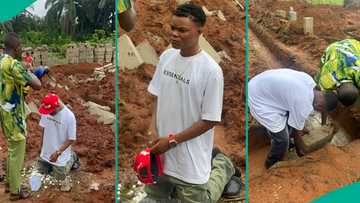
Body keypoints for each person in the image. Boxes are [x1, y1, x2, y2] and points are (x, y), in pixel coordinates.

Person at [141, 4, 242, 202]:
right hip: (160, 153)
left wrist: (171, 141)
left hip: (189, 161)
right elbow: (157, 96)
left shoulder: (210, 71)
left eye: (182, 30)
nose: (175, 34)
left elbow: (210, 120)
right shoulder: (167, 57)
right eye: (173, 28)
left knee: (203, 198)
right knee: (152, 198)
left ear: (200, 32)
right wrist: (153, 129)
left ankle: (223, 165)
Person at [248, 68, 338, 169]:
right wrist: (302, 150)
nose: (317, 111)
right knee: (282, 139)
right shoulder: (303, 104)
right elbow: (297, 132)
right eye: (319, 110)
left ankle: (283, 146)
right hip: (258, 99)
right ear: (319, 105)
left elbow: (296, 119)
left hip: (259, 83)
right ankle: (272, 163)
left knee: (289, 124)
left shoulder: (310, 82)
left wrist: (302, 127)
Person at [0, 32, 41, 200]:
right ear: (16, 48)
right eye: (20, 47)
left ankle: (10, 183)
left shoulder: (1, 61)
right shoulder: (13, 65)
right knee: (17, 152)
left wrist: (24, 69)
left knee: (12, 150)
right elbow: (37, 85)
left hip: (4, 111)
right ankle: (16, 192)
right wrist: (33, 71)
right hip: (15, 115)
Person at [37, 93, 79, 191]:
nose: (49, 113)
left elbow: (71, 138)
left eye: (51, 111)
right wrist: (41, 145)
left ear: (57, 106)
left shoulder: (69, 116)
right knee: (40, 172)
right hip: (46, 152)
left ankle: (72, 157)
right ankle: (53, 161)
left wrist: (58, 152)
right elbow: (43, 128)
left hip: (60, 154)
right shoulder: (46, 110)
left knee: (59, 177)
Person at [315, 39, 360, 106]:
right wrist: (316, 83)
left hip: (353, 45)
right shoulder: (326, 81)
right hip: (332, 49)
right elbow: (318, 81)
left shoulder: (358, 72)